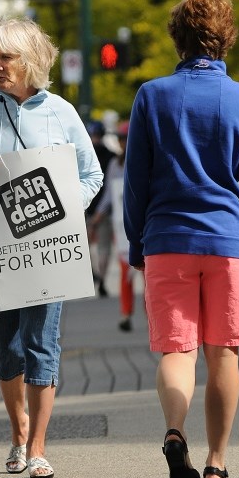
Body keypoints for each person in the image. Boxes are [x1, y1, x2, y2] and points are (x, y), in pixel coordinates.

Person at [123, 0, 239, 478]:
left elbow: (136, 181)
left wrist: (136, 243)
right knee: (223, 353)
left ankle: (173, 432)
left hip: (166, 238)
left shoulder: (152, 96)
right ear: (225, 37)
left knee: (176, 352)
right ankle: (216, 464)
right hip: (230, 241)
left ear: (178, 37)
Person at [0, 17, 103, 478]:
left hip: (45, 243)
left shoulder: (61, 112)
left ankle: (37, 446)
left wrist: (61, 209)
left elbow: (91, 176)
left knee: (42, 342)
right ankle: (18, 429)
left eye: (6, 58)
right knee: (4, 344)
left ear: (31, 60)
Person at [91, 121, 142, 332]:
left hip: (146, 225)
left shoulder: (146, 161)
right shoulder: (116, 164)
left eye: (127, 139)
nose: (124, 143)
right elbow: (110, 195)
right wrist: (98, 215)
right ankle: (125, 313)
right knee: (125, 270)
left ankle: (153, 317)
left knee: (149, 275)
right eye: (121, 139)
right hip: (123, 227)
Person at [85, 120, 116, 297]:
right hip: (103, 209)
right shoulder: (112, 156)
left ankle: (96, 275)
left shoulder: (84, 155)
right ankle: (101, 279)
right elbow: (111, 186)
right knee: (103, 247)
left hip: (88, 207)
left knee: (87, 246)